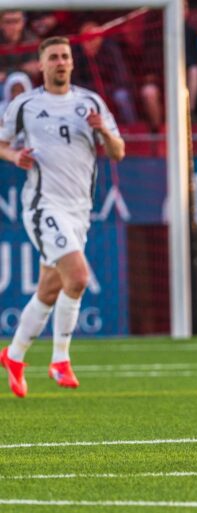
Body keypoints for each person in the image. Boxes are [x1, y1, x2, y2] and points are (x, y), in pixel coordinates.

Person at [0, 36, 125, 398]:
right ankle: (60, 359)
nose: (59, 62)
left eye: (64, 57)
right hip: (43, 206)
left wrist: (102, 129)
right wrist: (13, 157)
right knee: (79, 276)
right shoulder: (25, 104)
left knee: (50, 289)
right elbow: (2, 143)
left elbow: (118, 152)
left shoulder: (90, 103)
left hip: (79, 211)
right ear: (40, 65)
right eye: (52, 57)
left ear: (72, 63)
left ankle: (15, 354)